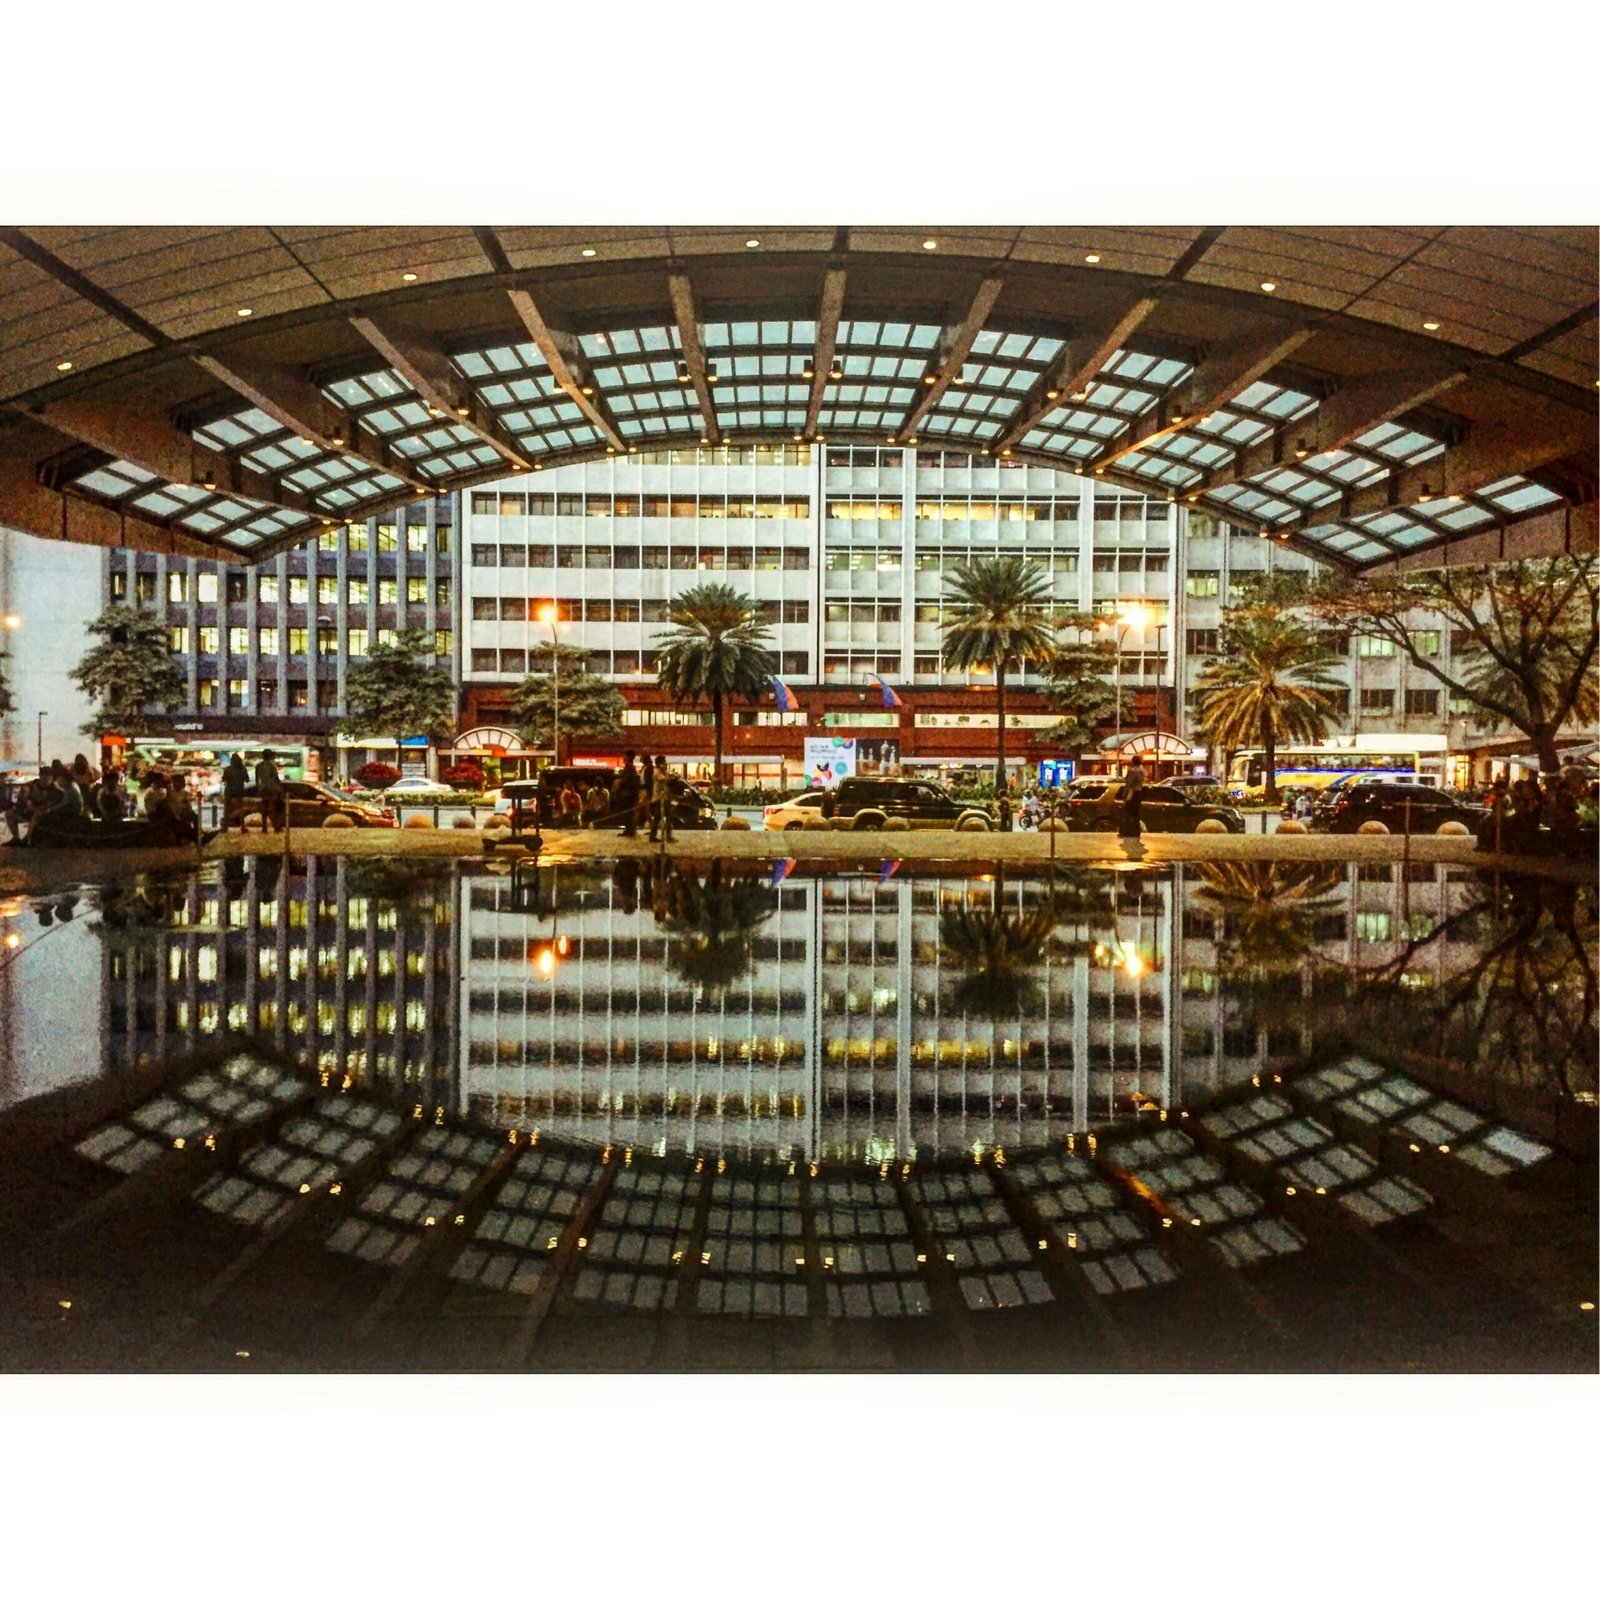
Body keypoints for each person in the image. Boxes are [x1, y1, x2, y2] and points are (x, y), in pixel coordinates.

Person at [611, 751, 642, 838]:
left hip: (628, 794)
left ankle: (630, 830)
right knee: (628, 813)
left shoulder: (630, 768)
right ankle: (629, 829)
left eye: (625, 756)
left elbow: (627, 781)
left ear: (629, 757)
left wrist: (620, 785)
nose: (623, 757)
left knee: (628, 813)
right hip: (629, 793)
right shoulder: (630, 768)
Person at [255, 751, 285, 833]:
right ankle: (276, 827)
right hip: (272, 789)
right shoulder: (271, 766)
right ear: (270, 757)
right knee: (273, 808)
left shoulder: (258, 766)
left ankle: (264, 828)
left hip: (263, 789)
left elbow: (257, 779)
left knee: (264, 809)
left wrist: (258, 789)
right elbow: (276, 778)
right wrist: (281, 788)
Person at [649, 755, 674, 845]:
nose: (665, 764)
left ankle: (666, 836)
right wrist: (669, 776)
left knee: (665, 817)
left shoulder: (663, 772)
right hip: (659, 798)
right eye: (664, 762)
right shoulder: (657, 772)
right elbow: (665, 780)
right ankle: (656, 835)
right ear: (659, 764)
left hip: (664, 798)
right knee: (659, 818)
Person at [1119, 756, 1146, 839]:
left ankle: (1126, 831)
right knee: (1136, 814)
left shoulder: (1132, 771)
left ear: (1133, 761)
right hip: (1139, 793)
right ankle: (1136, 831)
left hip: (1132, 793)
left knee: (1127, 813)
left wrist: (1124, 794)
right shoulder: (1142, 771)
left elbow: (1128, 784)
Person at [221, 753, 249, 832]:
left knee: (227, 809)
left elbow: (224, 779)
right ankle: (242, 827)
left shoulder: (227, 769)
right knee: (240, 809)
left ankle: (225, 827)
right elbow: (247, 780)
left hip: (229, 791)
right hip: (239, 790)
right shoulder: (243, 769)